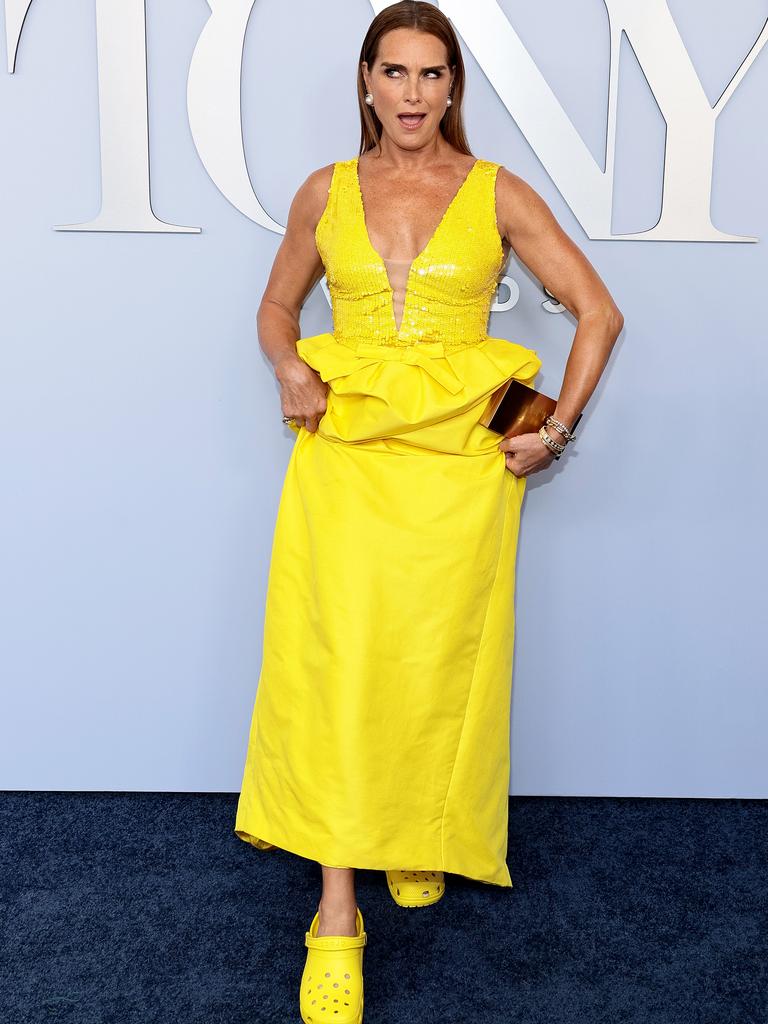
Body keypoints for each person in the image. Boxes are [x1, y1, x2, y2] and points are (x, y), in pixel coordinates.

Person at [234, 3, 623, 1021]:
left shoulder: (494, 192)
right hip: (348, 460)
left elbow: (599, 310)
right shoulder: (325, 191)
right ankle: (335, 910)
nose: (412, 92)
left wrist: (556, 430)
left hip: (458, 470)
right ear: (366, 82)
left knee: (432, 656)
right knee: (340, 662)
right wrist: (286, 364)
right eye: (394, 72)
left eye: (431, 74)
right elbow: (279, 305)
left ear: (453, 89)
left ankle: (412, 832)